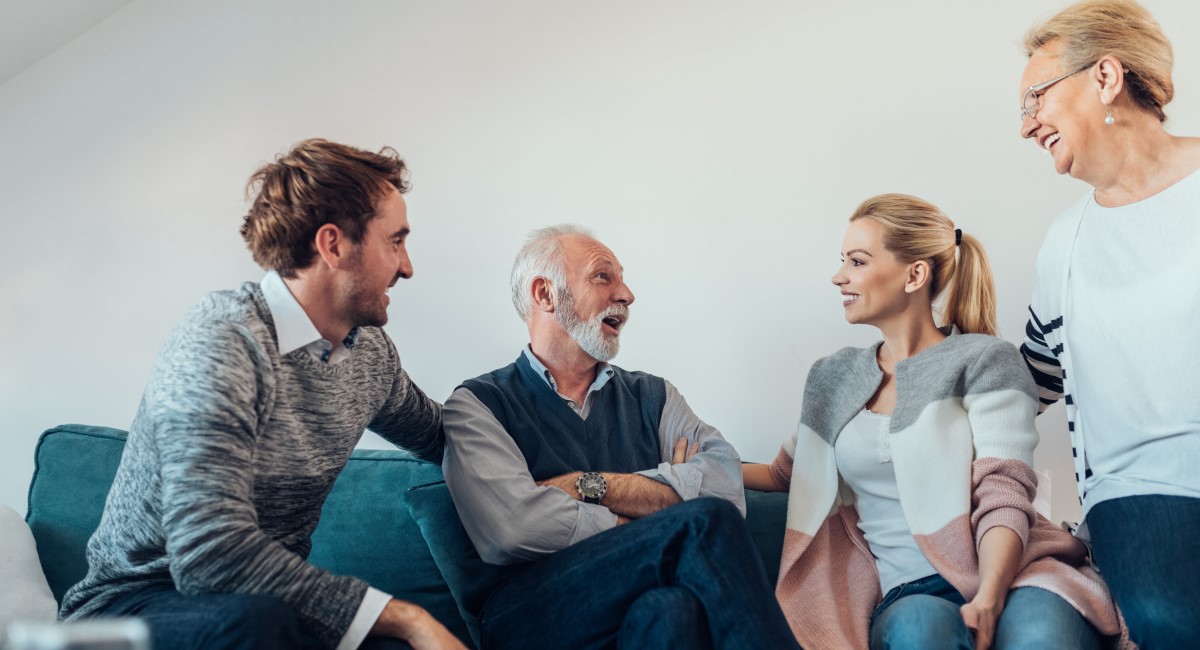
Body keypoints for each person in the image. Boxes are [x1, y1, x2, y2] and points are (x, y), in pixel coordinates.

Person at [59, 139, 464, 650]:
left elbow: (445, 436)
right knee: (260, 625)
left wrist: (561, 439)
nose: (406, 267)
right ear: (333, 245)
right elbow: (210, 556)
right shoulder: (222, 338)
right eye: (396, 241)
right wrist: (405, 616)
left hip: (267, 607)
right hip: (130, 608)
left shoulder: (369, 355)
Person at [743, 195, 1119, 650]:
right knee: (920, 634)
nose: (839, 276)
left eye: (857, 261)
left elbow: (1003, 491)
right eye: (842, 261)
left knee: (1039, 639)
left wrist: (990, 597)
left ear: (915, 274)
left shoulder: (985, 360)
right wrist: (686, 469)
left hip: (1017, 575)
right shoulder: (833, 376)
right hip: (909, 592)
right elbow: (786, 474)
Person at [441, 225, 798, 650]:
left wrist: (584, 486)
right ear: (545, 294)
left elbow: (723, 486)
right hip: (527, 613)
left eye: (622, 279)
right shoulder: (477, 404)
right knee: (702, 524)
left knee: (671, 610)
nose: (627, 294)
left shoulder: (653, 396)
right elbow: (514, 528)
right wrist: (661, 512)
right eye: (602, 277)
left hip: (632, 601)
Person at [1016, 1, 1200, 646]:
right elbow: (1035, 377)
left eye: (1035, 97)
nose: (1027, 125)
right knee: (1176, 619)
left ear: (1104, 77)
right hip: (1140, 492)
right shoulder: (1065, 242)